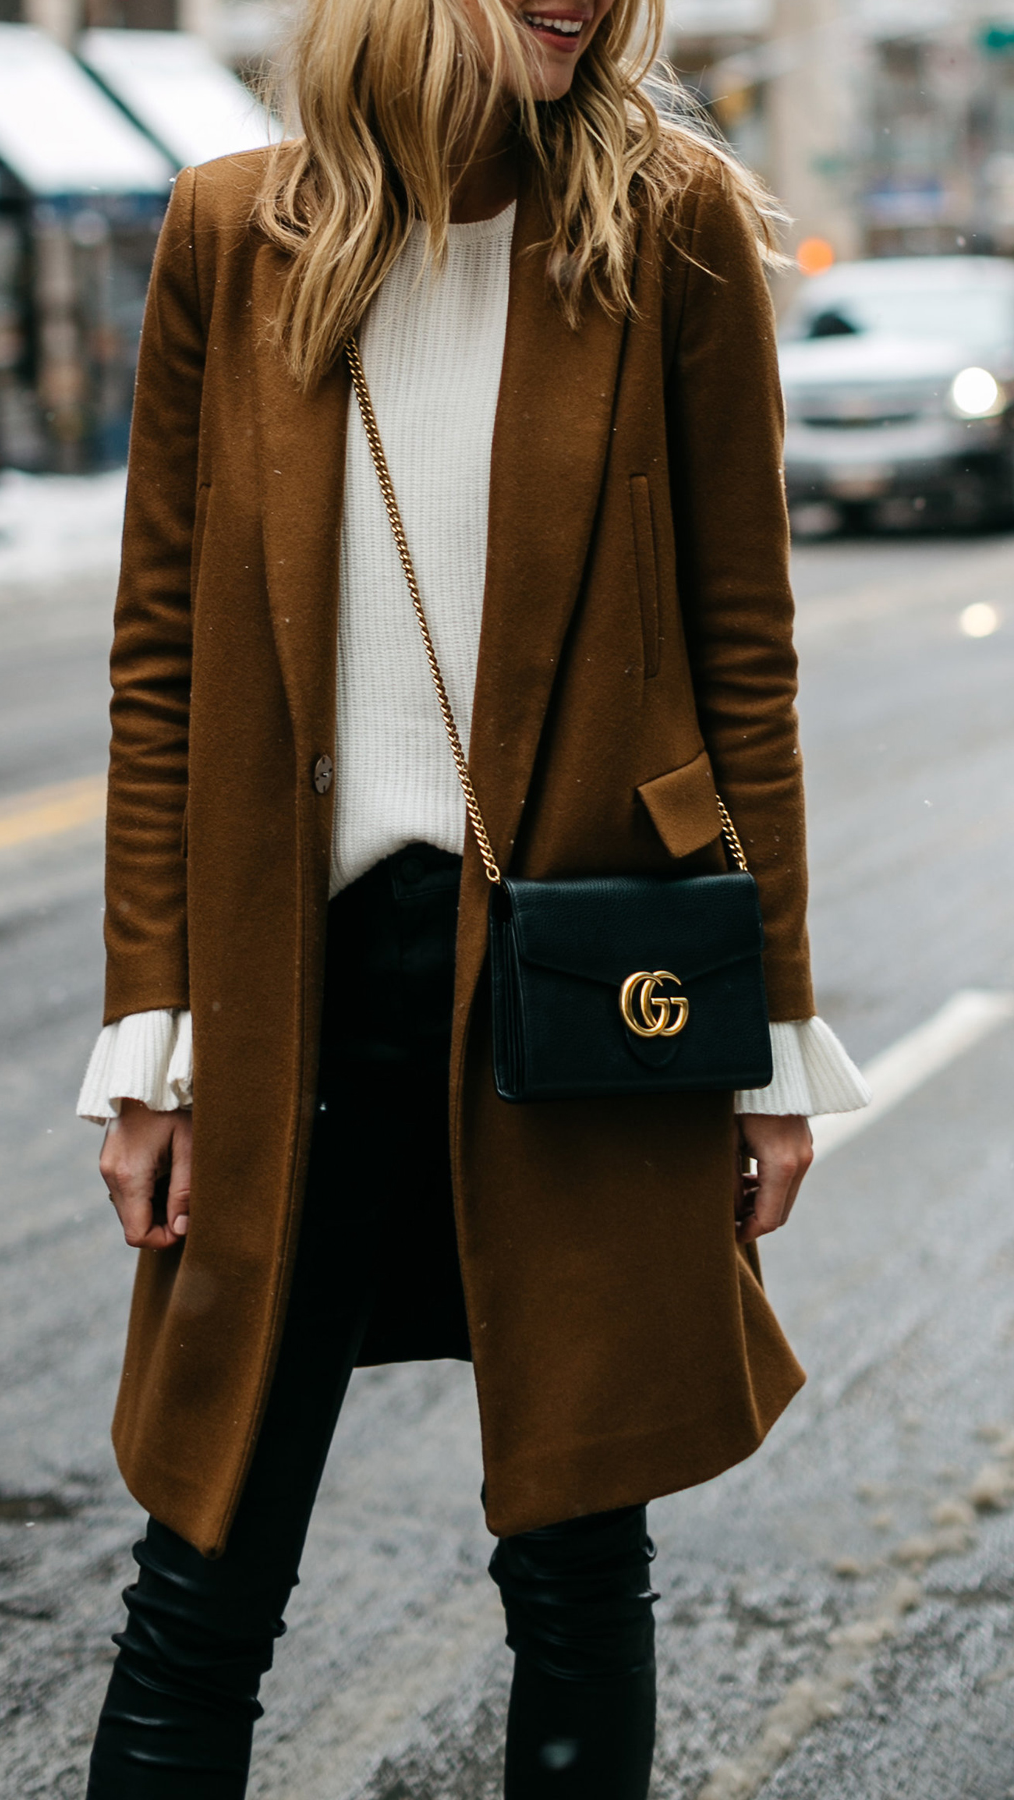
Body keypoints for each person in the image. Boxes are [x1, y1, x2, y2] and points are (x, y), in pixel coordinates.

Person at [76, 2, 871, 1794]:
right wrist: (152, 1034)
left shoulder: (664, 227)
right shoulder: (230, 230)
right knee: (207, 1561)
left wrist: (768, 1042)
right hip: (296, 977)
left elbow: (747, 659)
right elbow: (161, 657)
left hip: (580, 966)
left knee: (582, 1545)